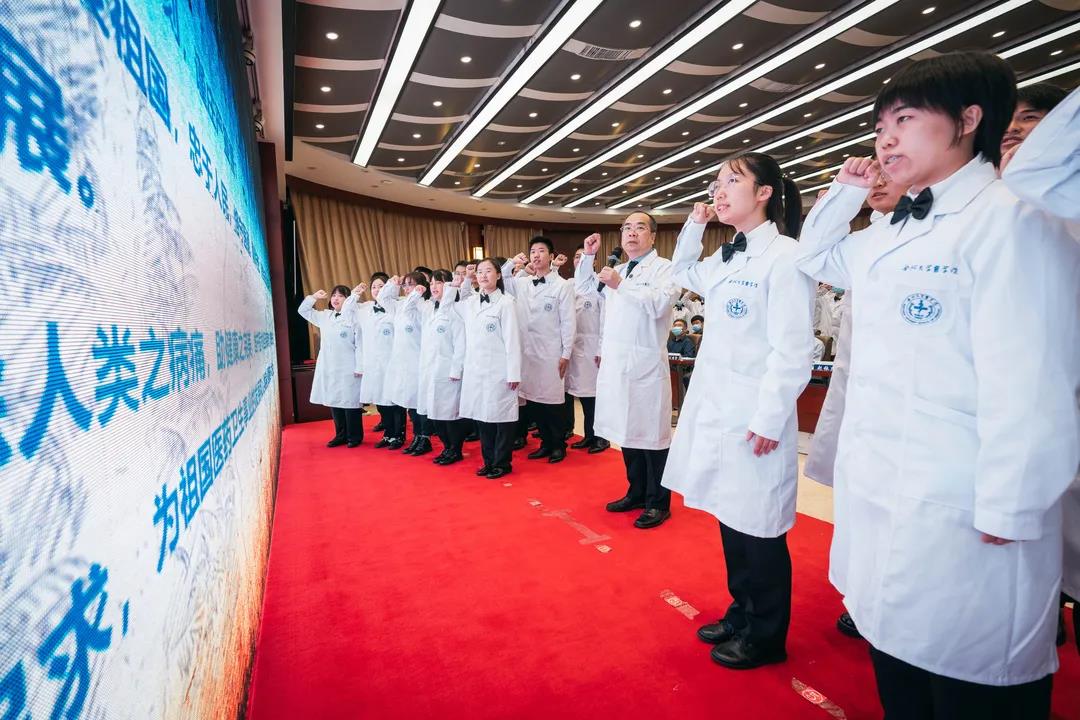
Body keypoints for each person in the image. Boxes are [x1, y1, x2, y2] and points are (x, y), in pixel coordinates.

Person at [795, 52, 1079, 718]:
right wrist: (845, 190)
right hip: (883, 495)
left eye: (904, 120)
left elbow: (1032, 378)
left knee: (970, 683)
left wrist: (1012, 506)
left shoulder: (1012, 217)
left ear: (968, 119)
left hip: (967, 508)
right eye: (879, 128)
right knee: (898, 674)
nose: (885, 140)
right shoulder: (891, 231)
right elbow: (813, 256)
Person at [662, 152, 813, 670]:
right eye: (716, 183)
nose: (719, 191)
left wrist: (769, 418)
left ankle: (767, 635)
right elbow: (680, 272)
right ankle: (741, 612)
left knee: (761, 526)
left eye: (731, 181)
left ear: (765, 192)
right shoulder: (724, 259)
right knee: (732, 519)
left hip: (755, 418)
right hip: (718, 411)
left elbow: (794, 349)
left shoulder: (786, 256)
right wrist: (694, 225)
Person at [803, 170, 908, 641]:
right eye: (873, 171)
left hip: (913, 404)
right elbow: (812, 254)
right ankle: (865, 596)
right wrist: (844, 195)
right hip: (863, 396)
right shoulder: (866, 240)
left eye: (889, 171)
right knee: (861, 507)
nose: (877, 181)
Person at [1002, 83, 1079, 652]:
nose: (1013, 130)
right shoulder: (998, 212)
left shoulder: (1060, 197)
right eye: (1007, 122)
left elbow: (1034, 171)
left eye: (1030, 119)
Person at [576, 213, 679, 529]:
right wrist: (589, 257)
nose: (632, 233)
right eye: (627, 228)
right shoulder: (617, 269)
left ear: (653, 236)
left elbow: (658, 305)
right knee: (627, 432)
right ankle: (636, 492)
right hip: (618, 365)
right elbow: (584, 289)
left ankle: (658, 502)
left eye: (640, 228)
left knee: (652, 437)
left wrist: (621, 285)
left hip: (646, 365)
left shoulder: (665, 268)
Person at [503, 238, 576, 464]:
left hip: (551, 353)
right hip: (528, 353)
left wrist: (566, 354)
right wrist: (512, 262)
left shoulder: (562, 285)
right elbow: (503, 277)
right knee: (533, 401)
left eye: (541, 251)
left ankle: (558, 445)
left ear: (551, 256)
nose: (536, 255)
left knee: (553, 403)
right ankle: (545, 443)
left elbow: (568, 322)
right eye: (533, 251)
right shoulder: (522, 283)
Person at [456, 258, 522, 479]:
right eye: (480, 272)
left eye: (488, 271)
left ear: (499, 275)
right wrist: (466, 279)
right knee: (482, 417)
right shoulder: (471, 302)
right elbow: (455, 299)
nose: (483, 275)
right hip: (476, 370)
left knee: (501, 418)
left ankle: (502, 463)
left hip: (499, 371)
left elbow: (513, 341)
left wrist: (514, 372)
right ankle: (488, 461)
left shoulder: (506, 303)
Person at [297, 285, 365, 448]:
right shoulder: (325, 316)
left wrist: (360, 366)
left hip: (349, 366)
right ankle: (340, 435)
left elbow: (361, 345)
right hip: (329, 366)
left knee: (350, 402)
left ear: (348, 299)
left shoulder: (355, 318)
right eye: (334, 295)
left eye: (340, 296)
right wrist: (313, 297)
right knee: (334, 400)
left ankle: (354, 436)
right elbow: (303, 311)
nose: (336, 299)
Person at [419, 270, 468, 466]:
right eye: (431, 283)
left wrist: (456, 370)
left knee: (450, 414)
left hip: (448, 373)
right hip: (431, 370)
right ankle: (447, 447)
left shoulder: (455, 310)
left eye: (438, 283)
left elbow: (461, 344)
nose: (434, 287)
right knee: (435, 413)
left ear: (448, 285)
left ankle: (455, 449)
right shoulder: (430, 310)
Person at [565, 245, 609, 454]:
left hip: (592, 346)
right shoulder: (569, 285)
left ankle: (601, 437)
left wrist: (601, 348)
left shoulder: (601, 284)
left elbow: (605, 319)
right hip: (574, 347)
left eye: (584, 256)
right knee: (581, 395)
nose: (579, 260)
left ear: (594, 261)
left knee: (594, 396)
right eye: (576, 256)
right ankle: (588, 435)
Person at [385, 272, 434, 456]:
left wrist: (417, 295)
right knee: (409, 402)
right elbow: (383, 298)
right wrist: (393, 284)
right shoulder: (399, 305)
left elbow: (412, 307)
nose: (406, 289)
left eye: (410, 284)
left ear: (421, 286)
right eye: (404, 285)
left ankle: (425, 438)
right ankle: (417, 436)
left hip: (419, 361)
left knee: (420, 402)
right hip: (402, 362)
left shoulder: (425, 305)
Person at [360, 273, 402, 447]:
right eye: (374, 287)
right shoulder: (366, 310)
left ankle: (398, 435)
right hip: (374, 363)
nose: (377, 290)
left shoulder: (396, 307)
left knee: (394, 401)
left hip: (392, 362)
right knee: (380, 400)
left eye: (381, 286)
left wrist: (393, 285)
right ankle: (388, 434)